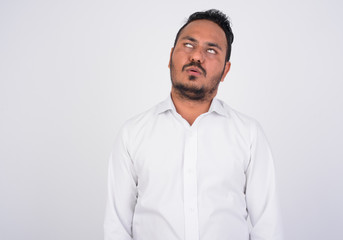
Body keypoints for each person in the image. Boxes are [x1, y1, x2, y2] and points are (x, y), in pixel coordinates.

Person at [104, 9, 282, 240]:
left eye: (211, 50)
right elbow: (116, 226)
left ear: (225, 70)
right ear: (170, 57)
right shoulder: (133, 133)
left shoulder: (249, 134)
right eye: (189, 45)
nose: (197, 56)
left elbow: (267, 226)